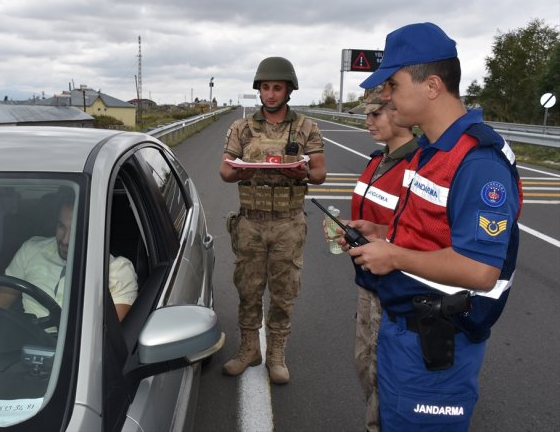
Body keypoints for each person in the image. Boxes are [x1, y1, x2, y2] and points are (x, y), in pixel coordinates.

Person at [344, 22, 522, 431]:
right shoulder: (428, 151)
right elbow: (430, 235)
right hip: (405, 329)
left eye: (393, 83)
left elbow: (480, 269)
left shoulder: (477, 162)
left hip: (439, 340)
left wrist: (394, 255)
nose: (386, 96)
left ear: (432, 85)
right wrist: (383, 236)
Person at [220, 56, 326, 385]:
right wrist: (241, 168)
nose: (270, 94)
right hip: (251, 222)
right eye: (265, 87)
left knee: (283, 292)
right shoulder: (242, 127)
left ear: (288, 90)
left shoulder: (306, 127)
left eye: (276, 88)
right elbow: (225, 171)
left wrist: (301, 170)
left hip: (288, 222)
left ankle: (276, 353)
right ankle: (249, 349)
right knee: (248, 289)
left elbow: (320, 173)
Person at [342, 85, 418, 432]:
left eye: (376, 114)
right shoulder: (377, 160)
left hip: (397, 286)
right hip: (368, 277)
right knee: (365, 364)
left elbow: (420, 231)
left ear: (399, 113)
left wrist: (379, 235)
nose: (369, 122)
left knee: (382, 368)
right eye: (367, 115)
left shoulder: (419, 165)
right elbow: (377, 217)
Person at [0, 200, 138, 322]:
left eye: (76, 230)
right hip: (24, 343)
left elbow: (109, 340)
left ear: (95, 230)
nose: (65, 240)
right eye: (61, 226)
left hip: (78, 354)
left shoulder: (117, 270)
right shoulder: (31, 249)